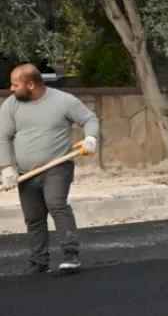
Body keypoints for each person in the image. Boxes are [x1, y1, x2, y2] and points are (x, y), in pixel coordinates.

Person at [0, 64, 100, 275]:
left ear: (31, 84)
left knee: (56, 203)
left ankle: (70, 255)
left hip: (57, 166)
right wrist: (7, 168)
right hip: (25, 172)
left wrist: (90, 138)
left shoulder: (63, 101)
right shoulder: (11, 105)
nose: (11, 88)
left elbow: (89, 119)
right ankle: (39, 262)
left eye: (15, 84)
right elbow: (3, 137)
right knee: (34, 217)